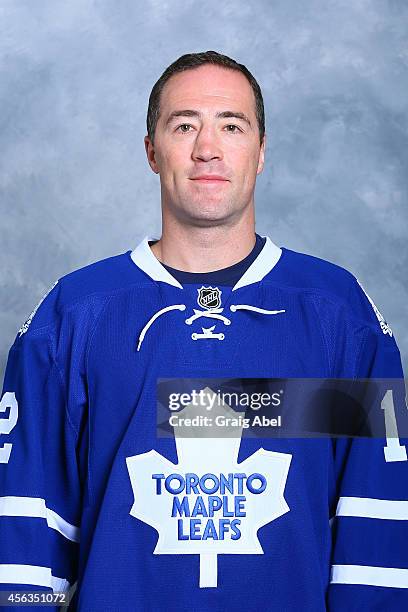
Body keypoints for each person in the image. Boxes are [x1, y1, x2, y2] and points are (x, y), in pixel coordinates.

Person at [0, 50, 407, 611]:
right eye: (184, 125)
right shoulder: (73, 313)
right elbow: (24, 538)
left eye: (231, 126)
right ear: (151, 151)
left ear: (261, 151)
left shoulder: (340, 314)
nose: (207, 148)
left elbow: (377, 529)